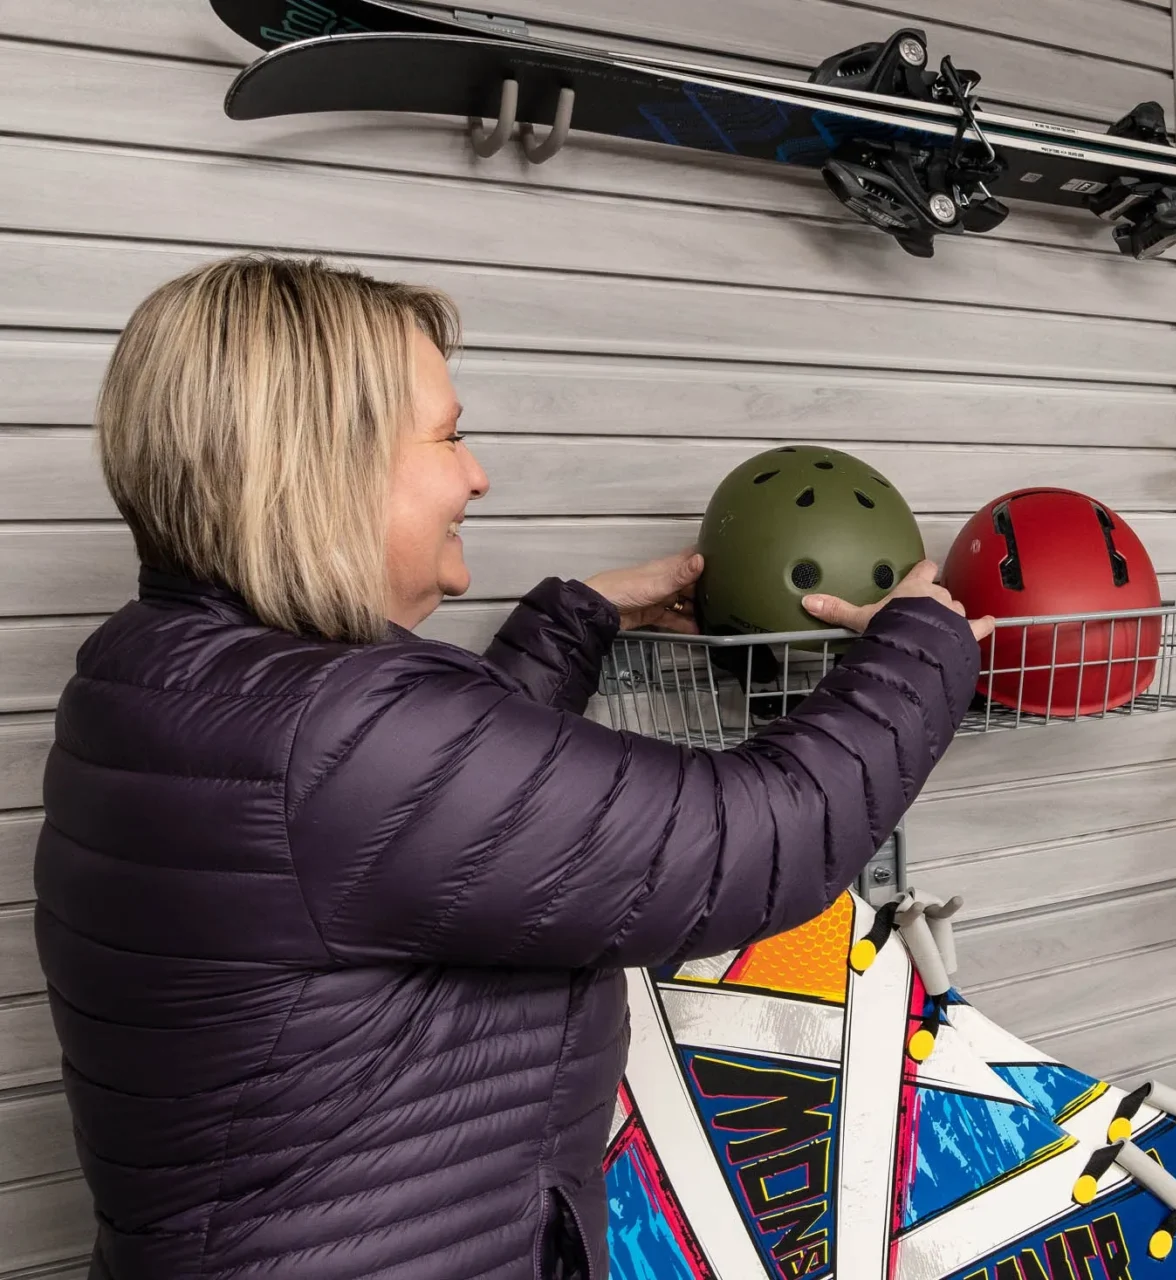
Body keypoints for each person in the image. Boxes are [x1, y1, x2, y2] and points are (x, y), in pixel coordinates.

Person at [33, 254, 991, 1280]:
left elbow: (425, 832)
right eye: (448, 435)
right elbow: (762, 835)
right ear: (327, 463)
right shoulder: (335, 730)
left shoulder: (160, 677)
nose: (476, 473)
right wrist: (919, 648)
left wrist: (574, 620)